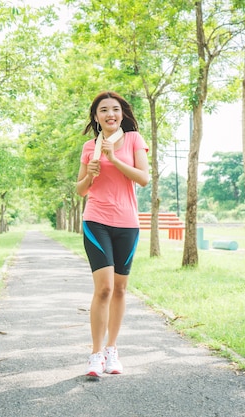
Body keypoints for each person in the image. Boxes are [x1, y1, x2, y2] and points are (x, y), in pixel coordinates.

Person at [76, 91, 150, 377]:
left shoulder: (133, 140)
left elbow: (143, 179)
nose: (110, 114)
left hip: (127, 223)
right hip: (96, 220)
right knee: (104, 287)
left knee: (120, 288)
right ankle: (95, 354)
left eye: (115, 109)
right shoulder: (88, 147)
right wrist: (91, 174)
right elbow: (80, 190)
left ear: (122, 114)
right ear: (96, 117)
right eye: (104, 110)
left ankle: (112, 350)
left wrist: (113, 159)